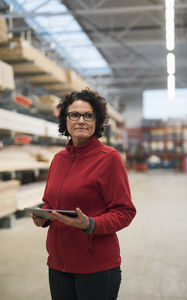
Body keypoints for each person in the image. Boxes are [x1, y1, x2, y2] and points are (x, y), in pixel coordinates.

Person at [32, 88, 136, 300]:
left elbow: (125, 212)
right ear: (65, 120)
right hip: (58, 265)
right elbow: (49, 202)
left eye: (88, 115)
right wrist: (42, 216)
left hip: (96, 267)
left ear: (96, 121)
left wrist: (90, 224)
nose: (81, 120)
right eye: (74, 115)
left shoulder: (109, 159)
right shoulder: (58, 159)